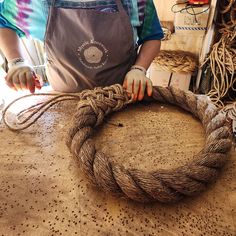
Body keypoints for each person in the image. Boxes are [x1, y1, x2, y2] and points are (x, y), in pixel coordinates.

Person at [0, 0, 163, 101]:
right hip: (63, 103)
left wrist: (139, 68)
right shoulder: (34, 3)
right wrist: (16, 62)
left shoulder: (136, 2)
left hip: (122, 99)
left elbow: (152, 36)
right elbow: (4, 22)